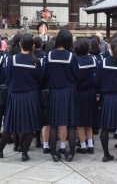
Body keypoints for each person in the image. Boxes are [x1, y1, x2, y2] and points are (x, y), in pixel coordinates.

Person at [0, 33, 43, 161]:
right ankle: (24, 153)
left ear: (20, 44)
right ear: (33, 46)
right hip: (31, 97)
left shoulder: (12, 59)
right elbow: (40, 80)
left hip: (15, 96)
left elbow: (7, 76)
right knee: (30, 126)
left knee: (9, 125)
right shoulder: (36, 62)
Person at [43, 29, 79, 162]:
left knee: (54, 124)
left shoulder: (50, 55)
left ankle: (53, 153)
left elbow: (44, 74)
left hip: (54, 92)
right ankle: (71, 153)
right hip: (69, 92)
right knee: (70, 124)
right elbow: (77, 76)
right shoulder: (71, 56)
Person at [74, 38, 98, 154]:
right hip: (91, 93)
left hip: (79, 93)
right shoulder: (93, 59)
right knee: (89, 121)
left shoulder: (75, 60)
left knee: (79, 121)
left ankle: (83, 146)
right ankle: (90, 144)